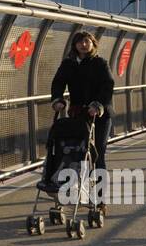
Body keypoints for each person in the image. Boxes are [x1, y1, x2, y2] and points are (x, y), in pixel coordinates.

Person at [37, 31, 116, 211]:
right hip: (78, 114)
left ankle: (99, 199)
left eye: (87, 41)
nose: (83, 44)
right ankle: (73, 192)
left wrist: (98, 105)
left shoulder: (100, 63)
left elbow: (108, 86)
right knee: (76, 153)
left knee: (97, 155)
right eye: (79, 42)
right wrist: (58, 99)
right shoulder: (68, 64)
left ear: (93, 44)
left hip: (100, 116)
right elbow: (58, 83)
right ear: (74, 45)